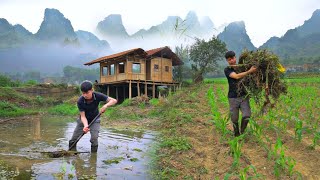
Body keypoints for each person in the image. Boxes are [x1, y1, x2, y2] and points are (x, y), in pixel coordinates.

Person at [69, 80, 117, 152]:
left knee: (94, 139)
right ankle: (71, 153)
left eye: (87, 93)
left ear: (92, 90)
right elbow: (83, 116)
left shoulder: (98, 95)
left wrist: (105, 105)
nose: (85, 95)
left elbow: (114, 100)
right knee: (74, 139)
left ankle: (93, 157)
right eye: (83, 93)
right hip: (83, 121)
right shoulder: (80, 101)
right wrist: (85, 126)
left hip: (95, 119)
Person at [224, 51, 257, 137]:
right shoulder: (227, 70)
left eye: (233, 58)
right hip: (233, 97)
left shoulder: (242, 67)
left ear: (236, 57)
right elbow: (236, 76)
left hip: (243, 96)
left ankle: (242, 131)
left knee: (247, 115)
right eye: (229, 59)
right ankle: (236, 133)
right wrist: (249, 71)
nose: (232, 60)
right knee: (234, 118)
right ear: (227, 61)